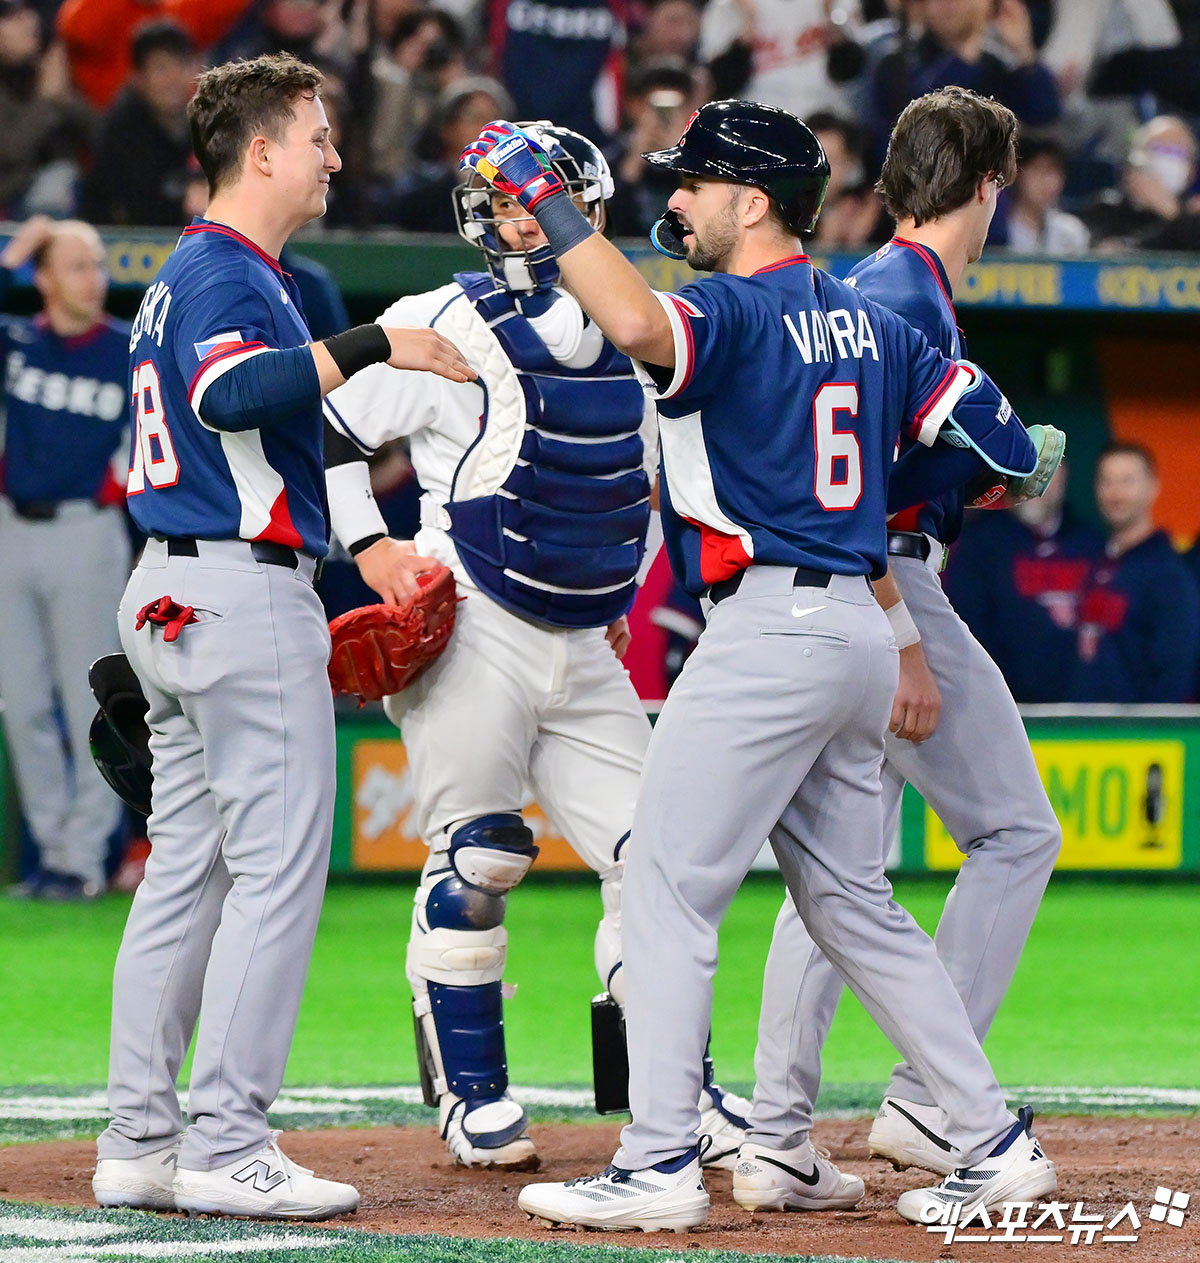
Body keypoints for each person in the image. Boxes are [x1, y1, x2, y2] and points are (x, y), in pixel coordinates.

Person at [460, 100, 1055, 1232]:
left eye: (694, 183)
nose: (673, 198)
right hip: (858, 638)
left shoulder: (731, 306)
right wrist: (989, 476)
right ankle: (989, 1141)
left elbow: (637, 324)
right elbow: (998, 437)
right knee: (852, 901)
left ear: (757, 199)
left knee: (671, 891)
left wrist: (542, 196)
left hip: (771, 625)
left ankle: (656, 1163)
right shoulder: (871, 319)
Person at [323, 121, 752, 1173]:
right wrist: (371, 546)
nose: (522, 216)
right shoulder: (440, 318)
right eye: (510, 200)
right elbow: (329, 428)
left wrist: (618, 584)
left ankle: (668, 1093)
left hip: (587, 637)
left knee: (656, 869)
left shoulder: (643, 322)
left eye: (542, 197)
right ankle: (472, 1098)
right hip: (472, 620)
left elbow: (640, 482)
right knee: (479, 855)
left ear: (586, 204)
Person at [90, 52, 474, 1220]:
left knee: (184, 883)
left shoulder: (192, 271)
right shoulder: (227, 275)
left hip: (175, 588)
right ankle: (227, 1140)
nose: (335, 156)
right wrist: (373, 344)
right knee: (273, 877)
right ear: (260, 151)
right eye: (316, 135)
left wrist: (363, 545)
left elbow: (270, 420)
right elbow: (228, 398)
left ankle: (139, 1140)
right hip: (237, 598)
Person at [736, 86, 1064, 1216]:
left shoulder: (881, 283)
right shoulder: (901, 299)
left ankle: (778, 1129)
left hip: (842, 587)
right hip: (877, 592)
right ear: (987, 186)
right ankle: (936, 1095)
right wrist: (902, 637)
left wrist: (974, 479)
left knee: (835, 874)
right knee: (1017, 830)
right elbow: (850, 502)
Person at [0, 215, 131, 900]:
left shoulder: (126, 348)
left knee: (89, 701)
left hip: (86, 528)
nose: (92, 277)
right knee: (20, 700)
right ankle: (50, 851)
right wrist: (12, 258)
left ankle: (83, 859)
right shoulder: (18, 342)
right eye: (75, 265)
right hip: (12, 526)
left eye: (96, 264)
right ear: (46, 278)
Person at [946, 462, 1104, 703]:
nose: (1034, 486)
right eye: (1027, 474)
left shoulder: (1092, 544)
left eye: (1045, 475)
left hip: (1083, 714)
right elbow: (966, 630)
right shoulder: (979, 545)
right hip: (1002, 704)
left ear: (1063, 478)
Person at [1068, 443, 1200, 703]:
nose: (1116, 493)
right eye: (1107, 481)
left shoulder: (1169, 576)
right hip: (1084, 730)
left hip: (1138, 736)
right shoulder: (1092, 563)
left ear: (1153, 487)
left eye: (1128, 481)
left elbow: (1175, 673)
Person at [80, 20, 201, 227]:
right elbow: (128, 208)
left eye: (181, 65)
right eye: (161, 67)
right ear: (138, 77)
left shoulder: (204, 121)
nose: (173, 78)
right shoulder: (119, 132)